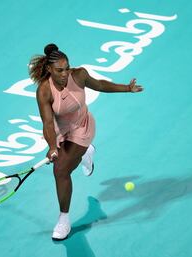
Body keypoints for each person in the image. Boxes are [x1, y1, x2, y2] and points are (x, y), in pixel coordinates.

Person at [28, 43, 143, 240]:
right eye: (59, 70)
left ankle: (63, 219)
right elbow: (48, 123)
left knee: (61, 170)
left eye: (66, 68)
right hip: (59, 130)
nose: (65, 74)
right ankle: (86, 153)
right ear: (49, 69)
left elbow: (99, 85)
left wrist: (127, 88)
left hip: (82, 126)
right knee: (62, 162)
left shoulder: (79, 75)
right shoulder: (44, 91)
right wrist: (52, 147)